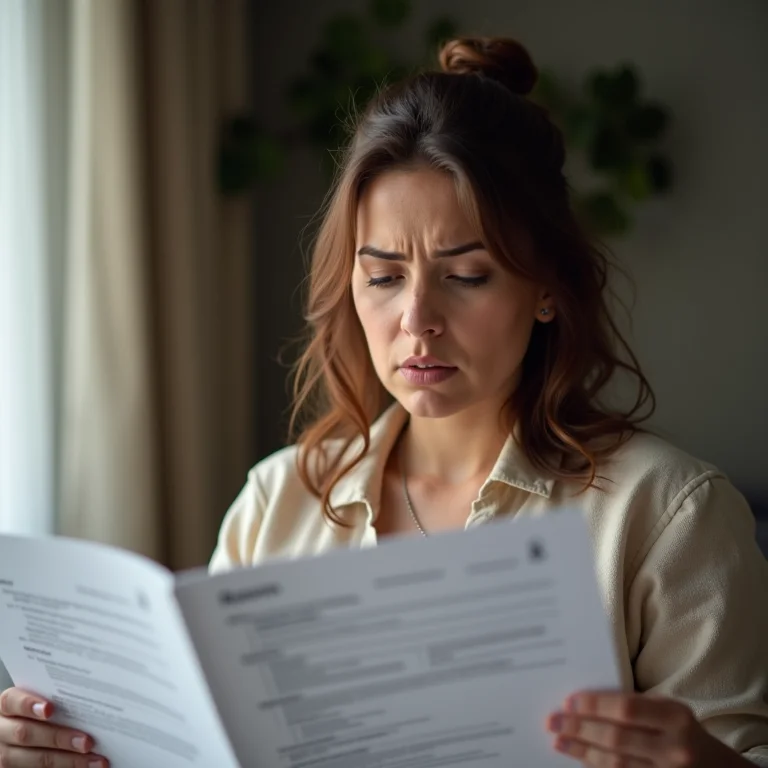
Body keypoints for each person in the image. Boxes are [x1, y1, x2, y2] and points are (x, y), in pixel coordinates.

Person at [1, 35, 767, 768]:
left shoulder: (665, 514)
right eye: (384, 276)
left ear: (545, 290)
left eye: (466, 276)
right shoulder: (281, 500)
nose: (417, 320)